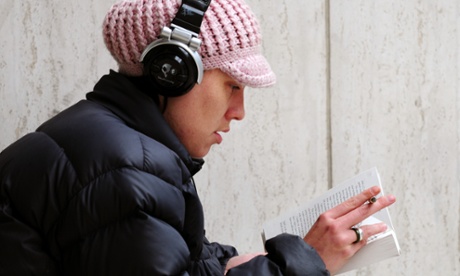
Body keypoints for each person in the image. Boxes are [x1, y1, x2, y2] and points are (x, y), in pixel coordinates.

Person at [0, 0, 396, 275]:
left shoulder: (109, 142)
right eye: (232, 86)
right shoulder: (126, 171)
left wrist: (227, 264)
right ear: (171, 72)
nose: (239, 111)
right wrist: (303, 263)